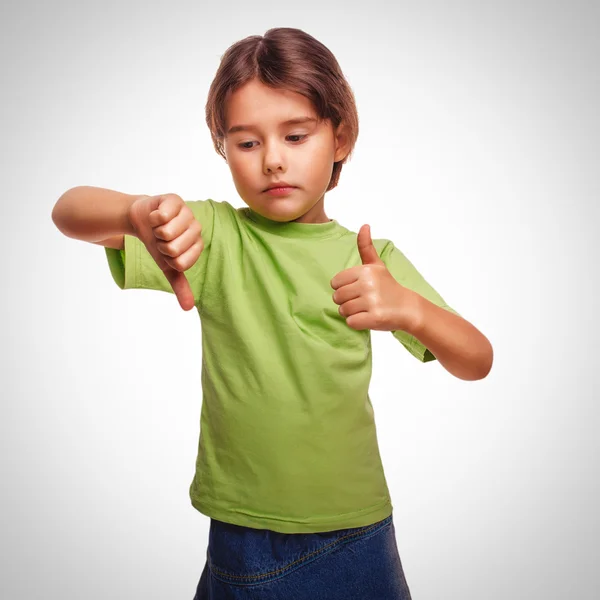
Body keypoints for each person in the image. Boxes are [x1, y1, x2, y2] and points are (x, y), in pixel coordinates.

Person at [52, 26, 493, 600]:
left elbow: (476, 359)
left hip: (356, 533)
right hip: (243, 535)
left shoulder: (370, 261)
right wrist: (134, 212)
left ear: (341, 137)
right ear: (223, 147)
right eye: (248, 142)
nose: (274, 162)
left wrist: (410, 309)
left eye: (295, 134)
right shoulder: (211, 235)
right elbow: (69, 211)